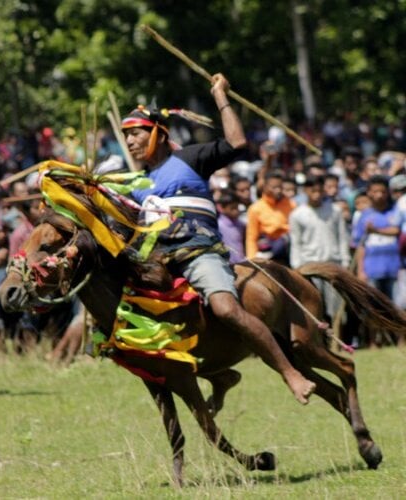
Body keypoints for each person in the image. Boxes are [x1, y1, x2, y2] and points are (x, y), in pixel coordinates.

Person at [122, 73, 316, 404]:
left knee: (225, 309)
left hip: (199, 254)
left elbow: (238, 144)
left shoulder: (189, 159)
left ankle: (291, 374)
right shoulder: (137, 183)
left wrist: (220, 96)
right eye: (125, 136)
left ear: (157, 132)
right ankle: (219, 375)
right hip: (160, 265)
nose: (129, 142)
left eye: (135, 133)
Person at [289, 175, 350, 320]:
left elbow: (342, 238)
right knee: (314, 307)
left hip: (332, 264)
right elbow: (295, 242)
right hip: (310, 265)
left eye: (318, 190)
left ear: (323, 190)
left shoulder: (335, 211)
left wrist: (345, 261)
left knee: (336, 309)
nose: (316, 194)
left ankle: (337, 341)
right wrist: (297, 267)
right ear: (305, 191)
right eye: (312, 190)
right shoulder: (297, 214)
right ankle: (321, 341)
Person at [245, 170, 296, 265]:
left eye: (280, 187)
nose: (278, 190)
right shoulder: (256, 208)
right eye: (274, 187)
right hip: (268, 247)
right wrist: (252, 259)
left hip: (289, 248)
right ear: (265, 187)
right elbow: (252, 237)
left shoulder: (291, 205)